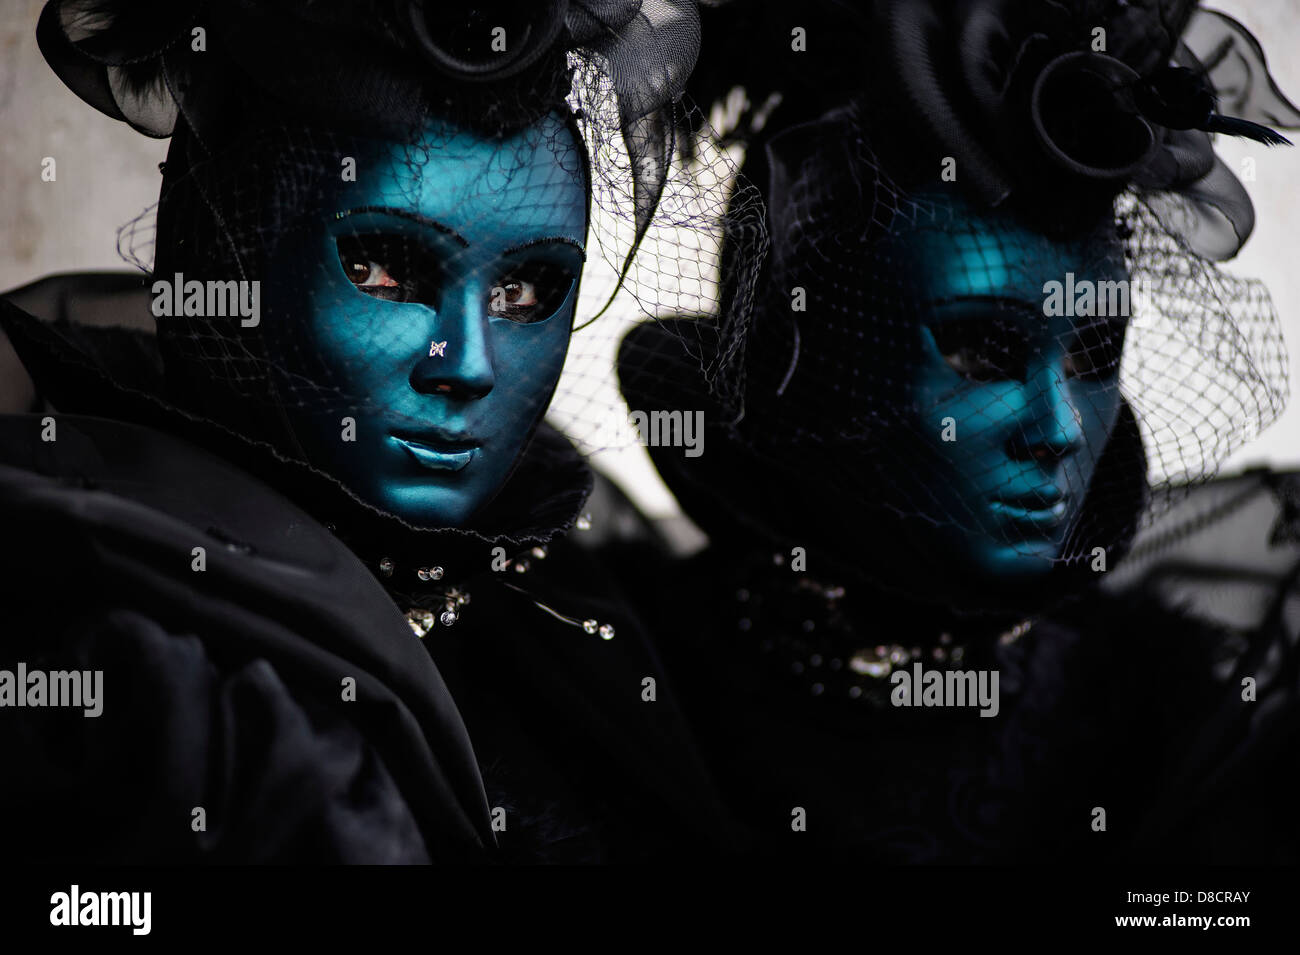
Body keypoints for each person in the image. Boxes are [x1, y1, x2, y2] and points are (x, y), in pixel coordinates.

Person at [0, 0, 751, 863]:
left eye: (528, 289)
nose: (466, 363)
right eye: (385, 269)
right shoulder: (120, 638)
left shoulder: (577, 606)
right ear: (239, 245)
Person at [615, 0, 1300, 861]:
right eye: (984, 350)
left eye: (1094, 354)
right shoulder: (604, 682)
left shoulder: (1168, 735)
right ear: (823, 361)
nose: (1058, 430)